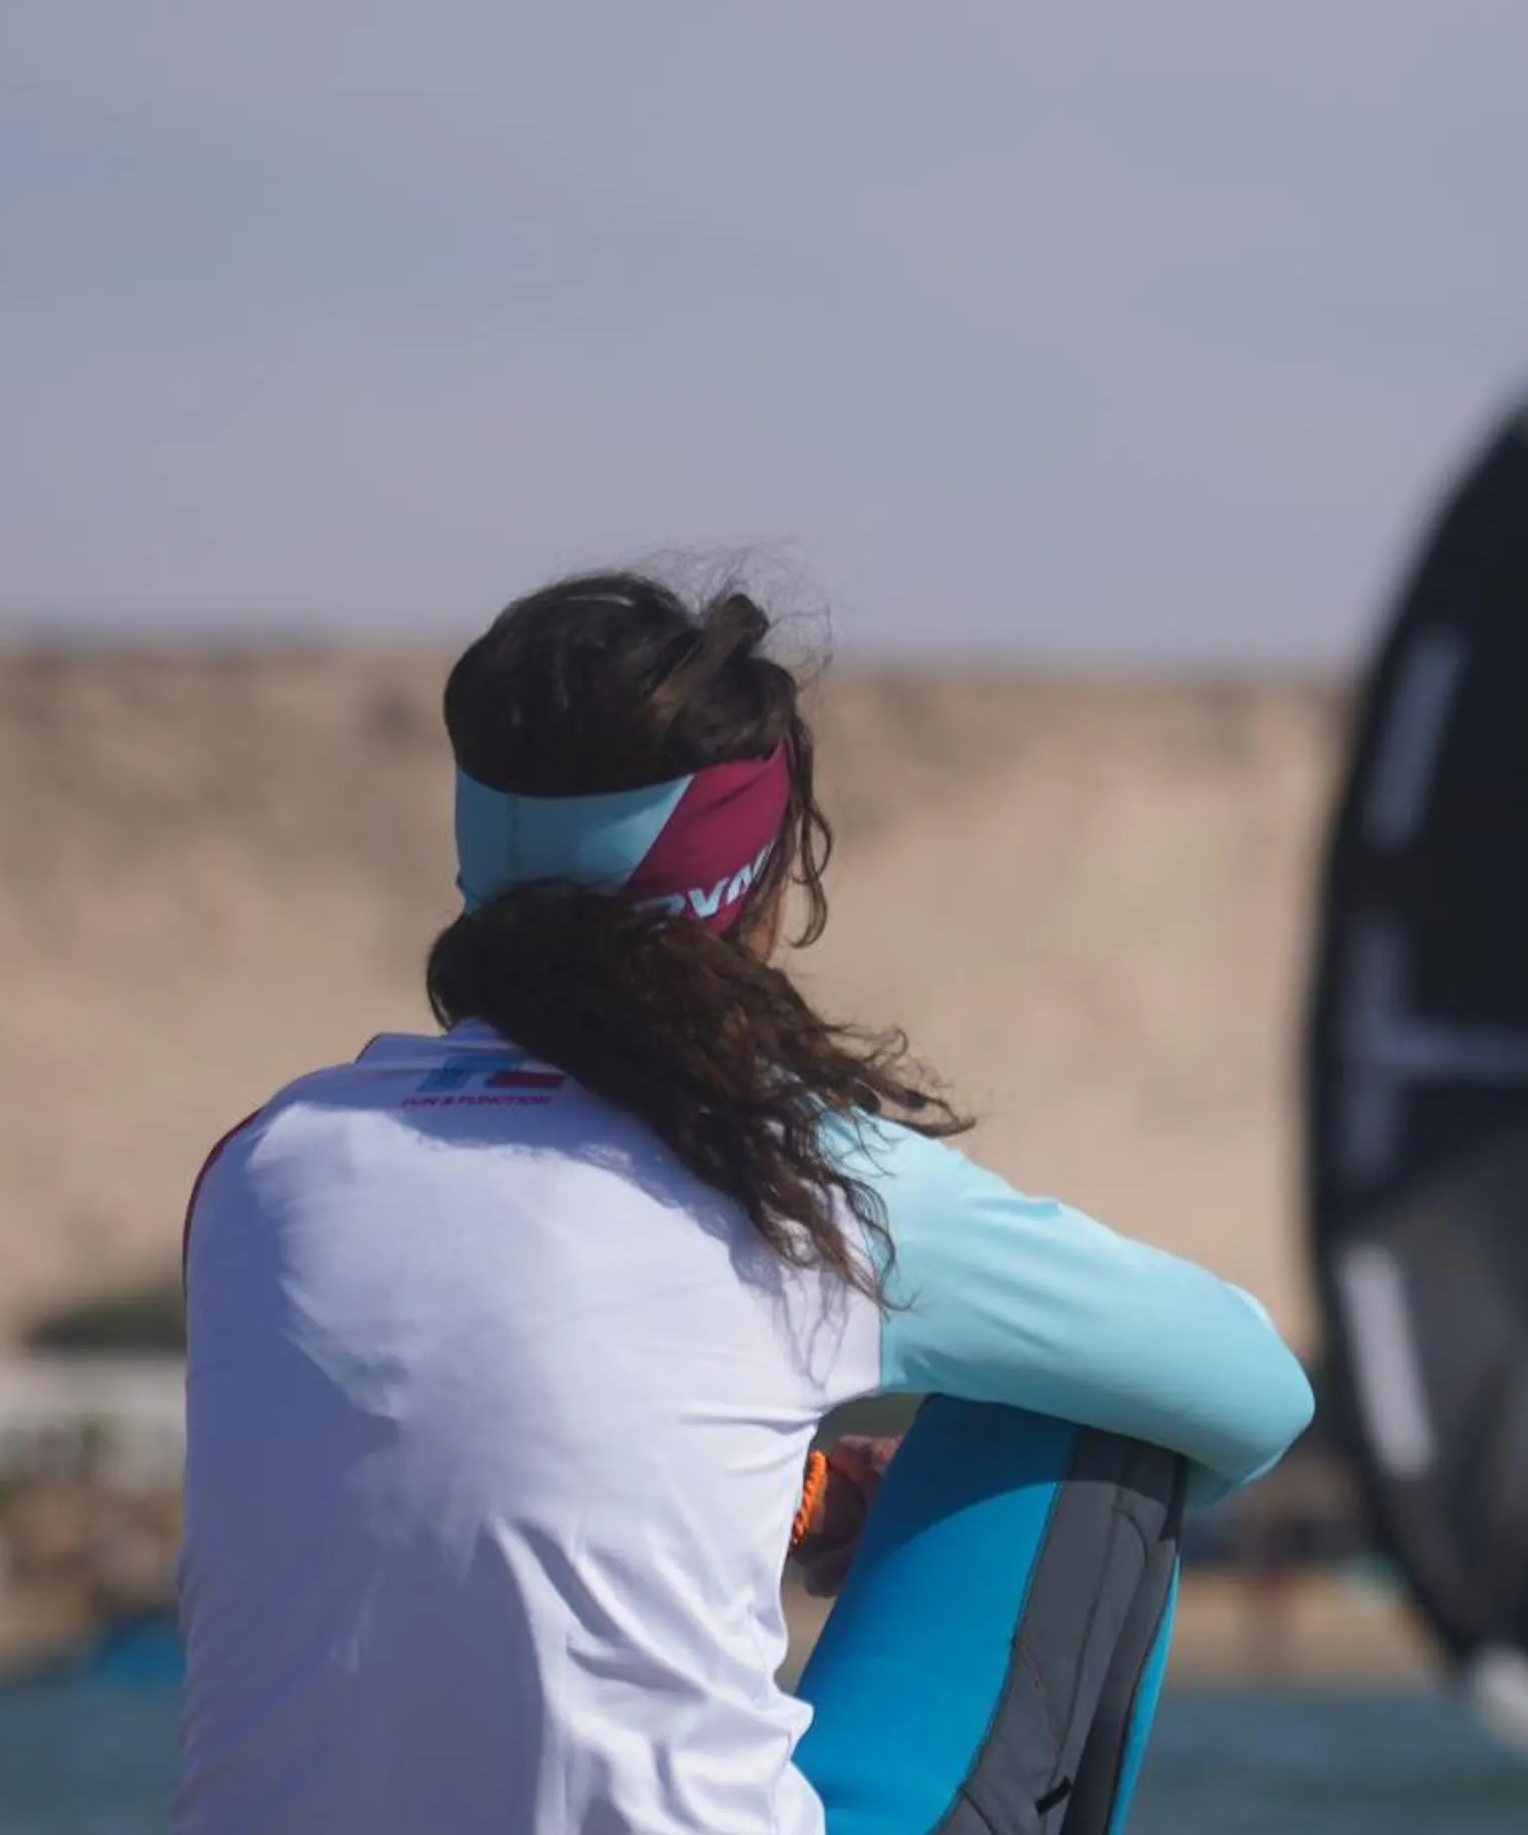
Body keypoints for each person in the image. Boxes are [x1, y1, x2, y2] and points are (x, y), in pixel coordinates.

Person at [175, 572, 1315, 1834]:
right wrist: (920, 1504)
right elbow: (1253, 1386)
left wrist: (788, 1493)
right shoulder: (794, 1171)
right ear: (760, 892)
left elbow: (455, 1463)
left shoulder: (262, 1164)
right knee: (1089, 1409)